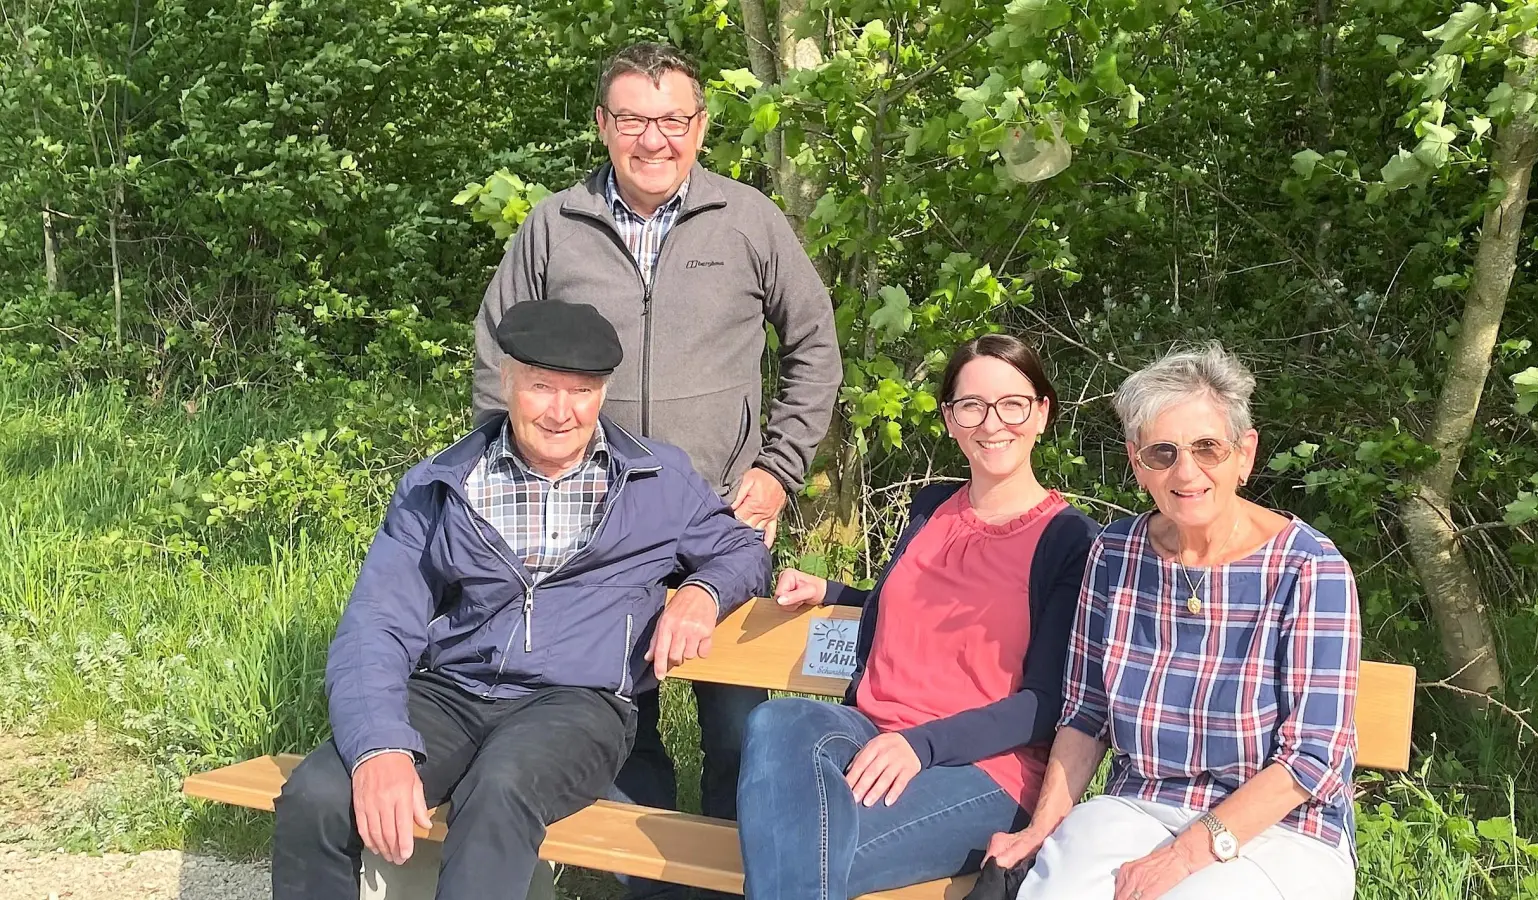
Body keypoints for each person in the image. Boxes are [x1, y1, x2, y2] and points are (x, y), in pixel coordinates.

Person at [470, 43, 842, 874]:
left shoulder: (748, 220)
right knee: (610, 709)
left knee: (738, 725)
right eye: (634, 119)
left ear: (701, 128)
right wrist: (523, 485)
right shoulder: (554, 226)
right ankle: (649, 884)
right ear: (603, 125)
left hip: (723, 519)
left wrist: (778, 468)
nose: (654, 140)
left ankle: (737, 876)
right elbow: (500, 361)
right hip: (590, 525)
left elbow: (815, 345)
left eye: (673, 120)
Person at [272, 300, 771, 900]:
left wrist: (702, 590)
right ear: (506, 382)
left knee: (501, 789)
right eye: (542, 388)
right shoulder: (443, 484)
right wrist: (379, 744)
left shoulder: (656, 480)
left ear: (603, 393)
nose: (562, 413)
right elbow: (376, 623)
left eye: (582, 392)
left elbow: (743, 550)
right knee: (320, 794)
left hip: (579, 704)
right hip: (453, 691)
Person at [987, 344, 1362, 900]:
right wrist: (1041, 830)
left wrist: (1181, 858)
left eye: (1207, 448)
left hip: (1283, 830)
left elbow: (1313, 758)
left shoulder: (1309, 568)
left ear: (1245, 454)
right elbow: (1087, 713)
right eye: (1163, 453)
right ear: (1138, 463)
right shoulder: (1114, 555)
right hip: (1138, 805)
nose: (1186, 472)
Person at [735, 334, 1101, 899]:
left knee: (798, 845)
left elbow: (1046, 704)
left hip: (984, 770)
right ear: (952, 420)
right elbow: (916, 604)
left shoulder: (1069, 540)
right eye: (971, 406)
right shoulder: (930, 507)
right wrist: (834, 592)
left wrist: (921, 745)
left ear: (1042, 413)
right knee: (778, 721)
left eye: (1012, 403)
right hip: (868, 735)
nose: (991, 422)